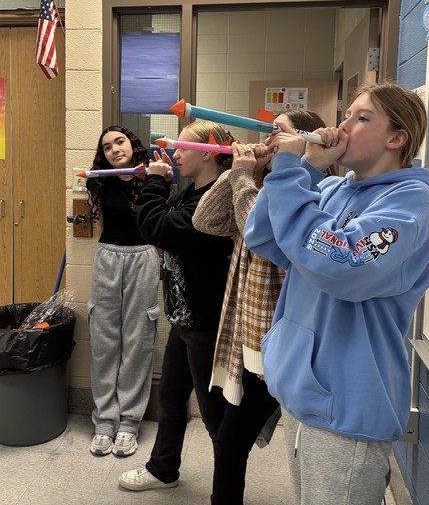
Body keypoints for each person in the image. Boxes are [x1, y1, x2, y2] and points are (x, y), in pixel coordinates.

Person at [244, 83, 429, 504]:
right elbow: (262, 236)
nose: (342, 126)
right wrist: (302, 170)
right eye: (347, 114)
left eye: (362, 118)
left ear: (397, 138)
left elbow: (339, 264)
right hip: (305, 393)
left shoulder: (412, 202)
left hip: (348, 406)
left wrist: (289, 171)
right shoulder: (336, 188)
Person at [193, 110, 331, 505]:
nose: (268, 139)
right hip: (248, 333)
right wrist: (240, 172)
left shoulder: (312, 190)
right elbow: (205, 220)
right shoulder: (261, 183)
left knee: (232, 439)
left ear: (308, 141)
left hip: (279, 339)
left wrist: (242, 179)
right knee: (228, 435)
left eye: (279, 132)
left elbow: (258, 233)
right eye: (270, 132)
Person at [119, 120, 234, 492]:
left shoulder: (213, 201)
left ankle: (226, 494)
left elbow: (155, 228)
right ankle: (163, 469)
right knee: (170, 399)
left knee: (215, 417)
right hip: (185, 321)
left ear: (211, 154)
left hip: (207, 325)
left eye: (183, 148)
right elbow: (155, 220)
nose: (175, 153)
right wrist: (159, 182)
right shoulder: (189, 194)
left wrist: (154, 181)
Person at [85, 126, 160, 458]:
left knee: (137, 340)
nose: (115, 149)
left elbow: (159, 222)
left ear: (132, 145)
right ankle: (104, 420)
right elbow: (100, 226)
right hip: (108, 257)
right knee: (104, 340)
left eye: (120, 142)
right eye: (107, 146)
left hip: (144, 257)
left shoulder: (153, 177)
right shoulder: (99, 181)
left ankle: (129, 421)